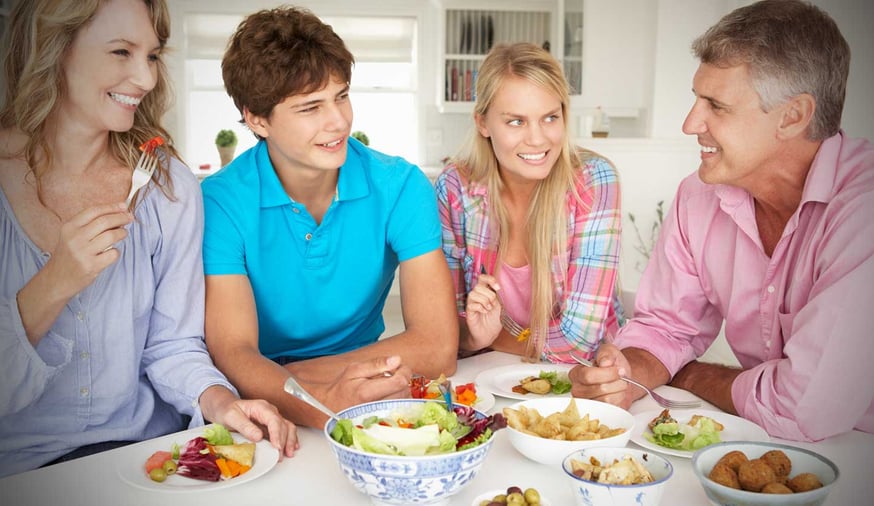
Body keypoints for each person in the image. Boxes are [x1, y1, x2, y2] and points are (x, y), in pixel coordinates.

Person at [569, 0, 874, 442]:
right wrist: (627, 374)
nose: (690, 123)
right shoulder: (698, 197)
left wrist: (689, 375)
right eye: (696, 98)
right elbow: (666, 328)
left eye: (717, 106)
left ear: (792, 116)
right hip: (764, 438)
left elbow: (804, 407)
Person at [0, 0, 299, 478]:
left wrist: (221, 402)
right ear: (54, 48)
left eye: (153, 56)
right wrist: (55, 282)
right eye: (121, 51)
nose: (145, 78)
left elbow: (173, 345)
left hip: (142, 453)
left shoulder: (169, 185)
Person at [202, 6, 458, 429]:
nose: (339, 121)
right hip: (264, 410)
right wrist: (323, 400)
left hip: (350, 387)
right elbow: (233, 353)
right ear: (257, 119)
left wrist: (295, 379)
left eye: (341, 96)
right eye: (310, 108)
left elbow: (437, 347)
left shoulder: (400, 185)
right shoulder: (220, 201)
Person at [435, 42, 624, 364]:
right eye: (516, 121)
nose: (537, 139)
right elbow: (446, 329)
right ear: (483, 123)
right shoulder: (455, 188)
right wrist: (473, 336)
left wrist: (489, 340)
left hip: (583, 374)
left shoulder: (593, 180)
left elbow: (578, 344)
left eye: (550, 118)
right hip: (488, 371)